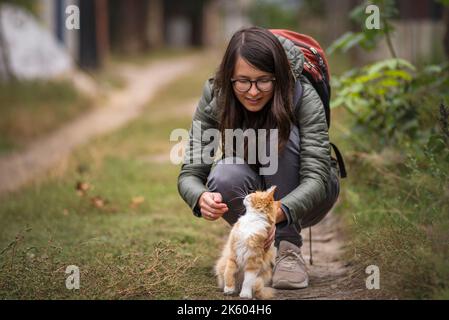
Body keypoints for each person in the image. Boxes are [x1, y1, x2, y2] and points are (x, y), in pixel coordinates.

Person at [177, 26, 340, 289]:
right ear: (229, 77)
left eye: (264, 80)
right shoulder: (216, 95)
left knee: (274, 137)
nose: (253, 92)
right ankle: (257, 250)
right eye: (243, 81)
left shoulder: (301, 93)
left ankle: (287, 249)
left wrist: (281, 210)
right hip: (255, 197)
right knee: (224, 173)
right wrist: (199, 197)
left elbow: (317, 177)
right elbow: (190, 173)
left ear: (279, 76)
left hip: (311, 197)